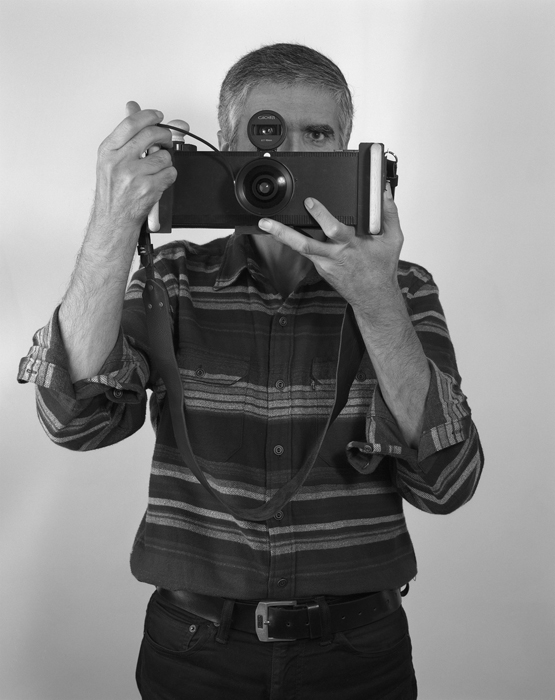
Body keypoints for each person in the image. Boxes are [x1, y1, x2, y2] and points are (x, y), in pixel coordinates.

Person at [19, 43, 483, 699]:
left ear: (350, 153)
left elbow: (447, 483)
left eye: (315, 135)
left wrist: (375, 301)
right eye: (265, 135)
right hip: (194, 651)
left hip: (358, 655)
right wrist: (111, 224)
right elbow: (75, 421)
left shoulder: (401, 287)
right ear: (225, 150)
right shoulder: (172, 279)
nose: (285, 160)